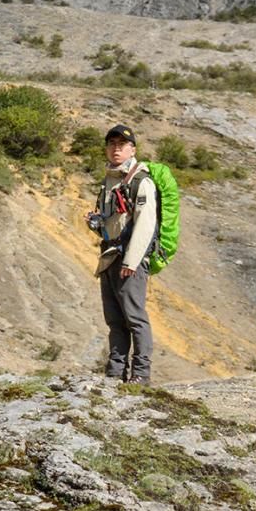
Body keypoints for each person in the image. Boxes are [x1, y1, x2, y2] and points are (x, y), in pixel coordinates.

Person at [88, 124, 157, 384]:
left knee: (135, 318)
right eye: (112, 144)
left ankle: (141, 374)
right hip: (109, 256)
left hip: (130, 260)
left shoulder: (141, 181)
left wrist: (132, 261)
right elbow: (111, 224)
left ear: (132, 149)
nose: (116, 149)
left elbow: (145, 224)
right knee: (115, 320)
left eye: (122, 145)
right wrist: (94, 223)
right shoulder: (109, 182)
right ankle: (115, 373)